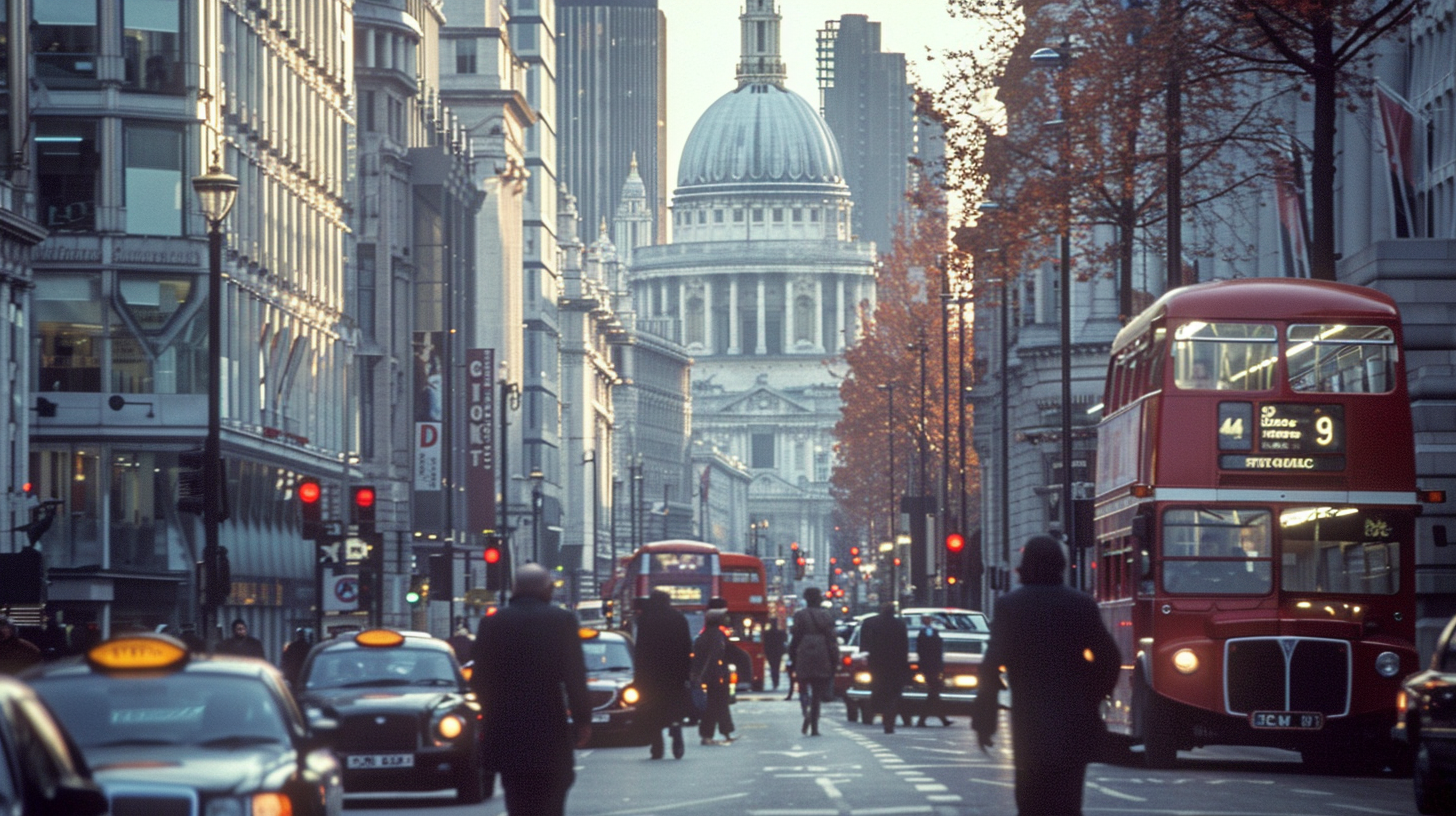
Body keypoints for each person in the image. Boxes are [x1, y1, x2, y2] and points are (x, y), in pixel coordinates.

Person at [972, 535, 1121, 816]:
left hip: (1030, 722)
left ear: (1024, 567)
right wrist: (1093, 697)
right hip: (1074, 721)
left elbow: (991, 666)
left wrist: (984, 721)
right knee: (1067, 802)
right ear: (1061, 566)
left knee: (1030, 802)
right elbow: (1109, 658)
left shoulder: (1010, 607)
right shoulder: (1081, 604)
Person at [472, 563, 591, 816]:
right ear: (546, 589)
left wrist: (489, 718)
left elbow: (479, 680)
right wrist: (583, 721)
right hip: (549, 729)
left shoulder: (492, 623)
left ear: (516, 588)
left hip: (507, 731)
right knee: (551, 802)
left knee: (517, 801)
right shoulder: (562, 621)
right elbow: (575, 678)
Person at [632, 590, 692, 759]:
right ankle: (676, 731)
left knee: (653, 711)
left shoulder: (645, 620)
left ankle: (657, 746)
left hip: (652, 675)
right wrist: (686, 673)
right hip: (675, 674)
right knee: (673, 707)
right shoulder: (679, 618)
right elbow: (687, 647)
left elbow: (641, 649)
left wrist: (639, 676)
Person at [789, 587, 837, 737]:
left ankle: (807, 713)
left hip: (804, 652)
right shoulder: (826, 616)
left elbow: (795, 638)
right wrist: (834, 659)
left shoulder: (799, 615)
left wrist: (792, 656)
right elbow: (832, 640)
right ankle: (813, 724)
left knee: (803, 687)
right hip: (822, 653)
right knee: (817, 693)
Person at [859, 603, 909, 734]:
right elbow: (904, 646)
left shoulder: (871, 623)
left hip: (877, 663)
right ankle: (889, 722)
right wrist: (904, 665)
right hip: (894, 664)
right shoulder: (899, 624)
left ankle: (872, 716)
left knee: (877, 690)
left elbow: (864, 645)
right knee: (892, 694)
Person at [690, 609, 733, 745]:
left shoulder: (704, 635)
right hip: (717, 675)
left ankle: (723, 732)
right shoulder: (717, 636)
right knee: (716, 705)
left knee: (717, 705)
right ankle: (710, 734)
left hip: (710, 676)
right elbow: (716, 656)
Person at [915, 616, 954, 727]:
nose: (928, 621)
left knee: (934, 694)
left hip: (934, 666)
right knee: (934, 693)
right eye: (926, 619)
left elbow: (939, 650)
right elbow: (920, 651)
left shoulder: (935, 631)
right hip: (928, 667)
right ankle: (929, 719)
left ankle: (930, 719)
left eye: (929, 619)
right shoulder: (921, 633)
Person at [761, 620, 787, 690]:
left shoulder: (767, 633)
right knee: (776, 667)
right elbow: (784, 642)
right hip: (777, 652)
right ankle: (776, 681)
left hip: (771, 652)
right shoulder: (781, 633)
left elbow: (765, 644)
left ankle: (775, 681)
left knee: (773, 667)